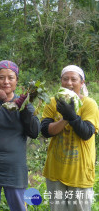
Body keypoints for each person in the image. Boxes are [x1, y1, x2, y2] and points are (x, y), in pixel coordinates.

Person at [0, 60, 41, 211]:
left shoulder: (24, 103)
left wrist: (24, 110)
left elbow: (35, 132)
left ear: (17, 81)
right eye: (1, 77)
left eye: (11, 78)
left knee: (19, 207)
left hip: (15, 170)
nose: (6, 82)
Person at [41, 65, 99, 211]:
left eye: (74, 79)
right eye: (65, 79)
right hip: (55, 171)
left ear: (82, 83)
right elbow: (45, 131)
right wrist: (65, 118)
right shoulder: (53, 102)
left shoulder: (89, 104)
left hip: (80, 174)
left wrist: (72, 115)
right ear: (61, 81)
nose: (69, 83)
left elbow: (86, 133)